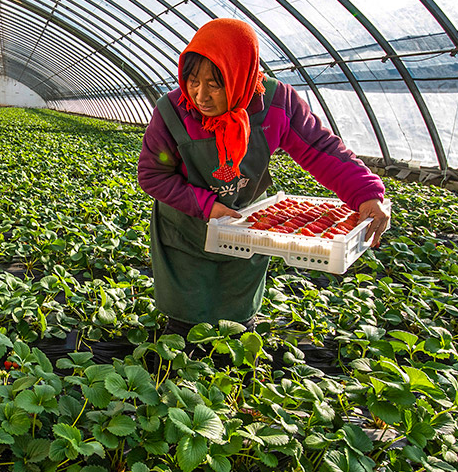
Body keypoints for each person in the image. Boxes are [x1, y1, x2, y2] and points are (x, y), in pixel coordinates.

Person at [137, 18, 391, 334]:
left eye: (215, 84)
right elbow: (152, 174)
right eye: (192, 80)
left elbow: (319, 147)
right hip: (186, 230)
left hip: (245, 226)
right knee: (185, 320)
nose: (200, 96)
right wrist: (206, 206)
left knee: (239, 319)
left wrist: (365, 192)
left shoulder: (275, 103)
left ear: (240, 74)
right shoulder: (173, 111)